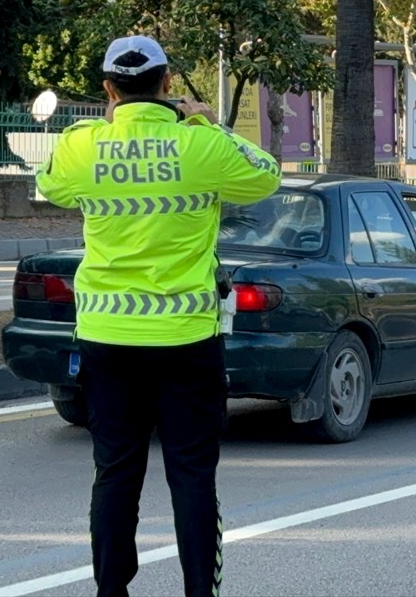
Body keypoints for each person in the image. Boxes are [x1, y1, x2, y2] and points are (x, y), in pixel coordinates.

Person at [36, 35, 281, 597]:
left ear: (108, 89)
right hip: (186, 339)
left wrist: (101, 127)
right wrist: (206, 123)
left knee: (115, 473)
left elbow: (49, 182)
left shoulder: (84, 144)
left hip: (108, 337)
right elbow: (265, 175)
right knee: (192, 474)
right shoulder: (199, 145)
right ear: (168, 83)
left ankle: (111, 593)